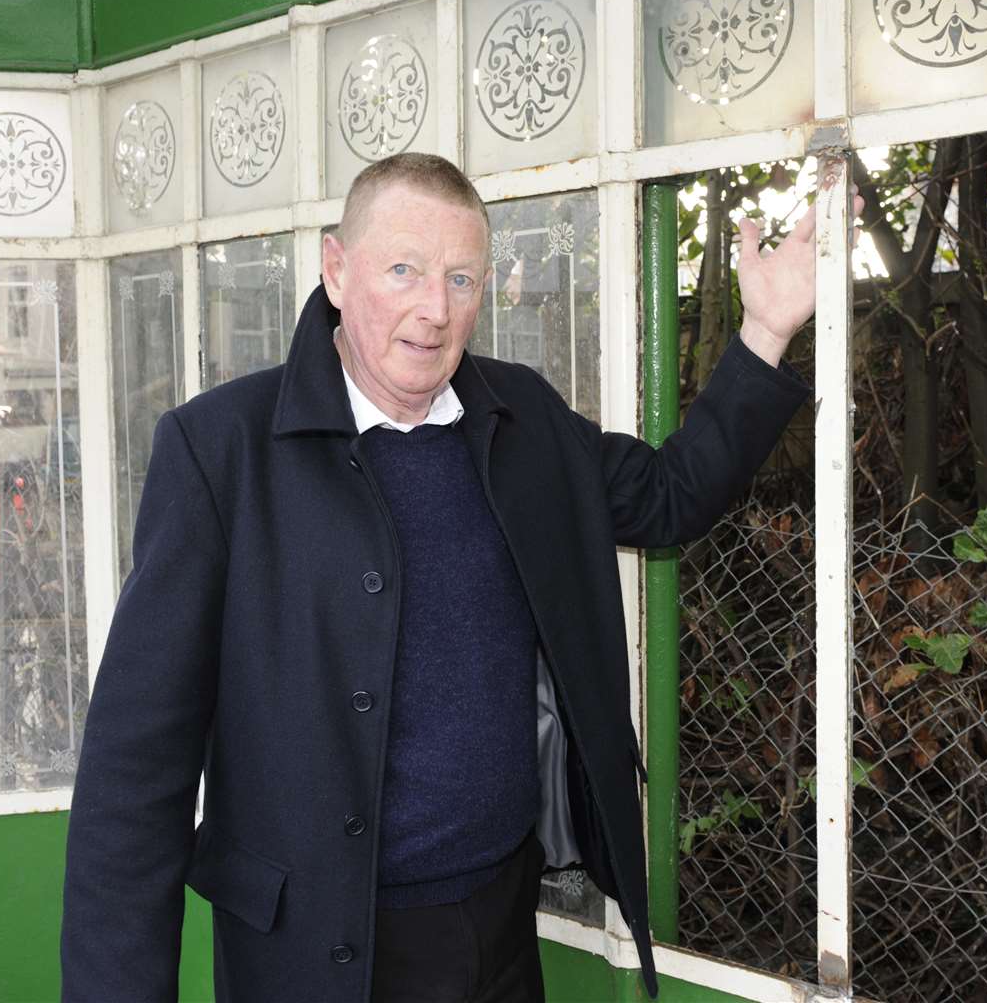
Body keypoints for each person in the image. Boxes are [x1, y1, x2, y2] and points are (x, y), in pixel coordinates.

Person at [61, 152, 825, 1002]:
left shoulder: (519, 416)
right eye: (404, 270)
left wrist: (765, 332)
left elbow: (669, 498)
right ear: (335, 270)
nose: (434, 310)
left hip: (497, 921)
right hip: (314, 948)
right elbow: (136, 770)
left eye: (462, 279)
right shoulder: (220, 452)